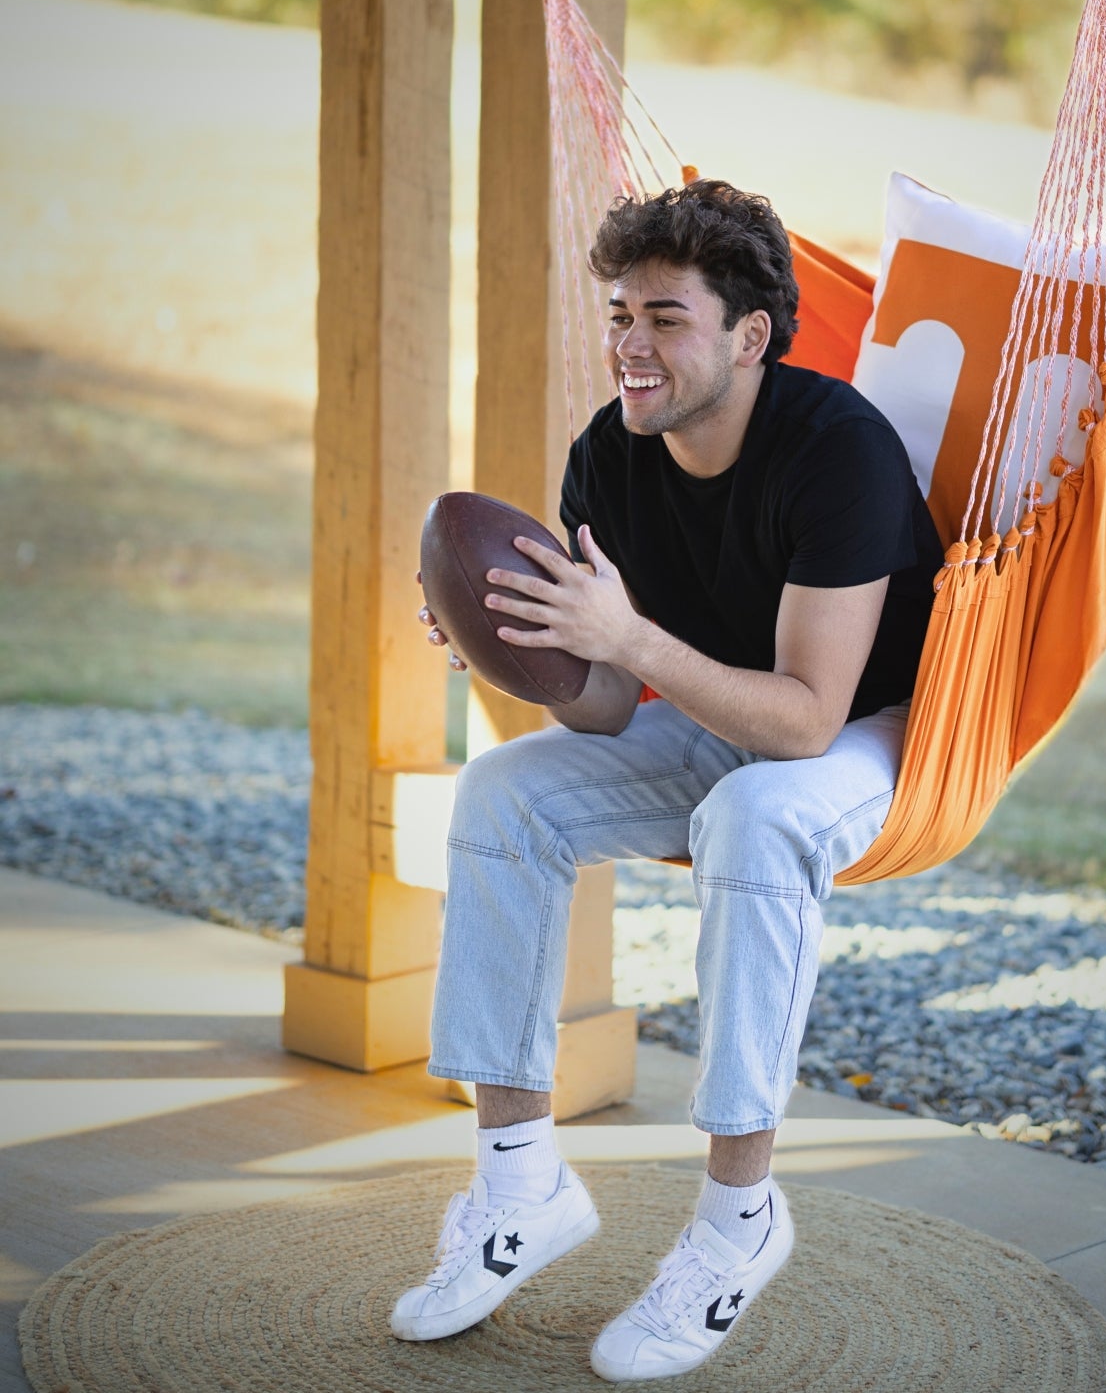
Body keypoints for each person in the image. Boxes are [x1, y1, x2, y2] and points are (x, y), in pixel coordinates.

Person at [392, 179, 942, 1381]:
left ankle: (739, 1219)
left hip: (867, 730)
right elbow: (598, 709)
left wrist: (632, 643)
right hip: (707, 704)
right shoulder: (611, 450)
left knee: (751, 814)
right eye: (620, 314)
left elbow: (803, 722)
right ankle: (518, 1182)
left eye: (666, 317)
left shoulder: (839, 451)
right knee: (504, 793)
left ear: (750, 336)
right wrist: (520, 640)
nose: (631, 344)